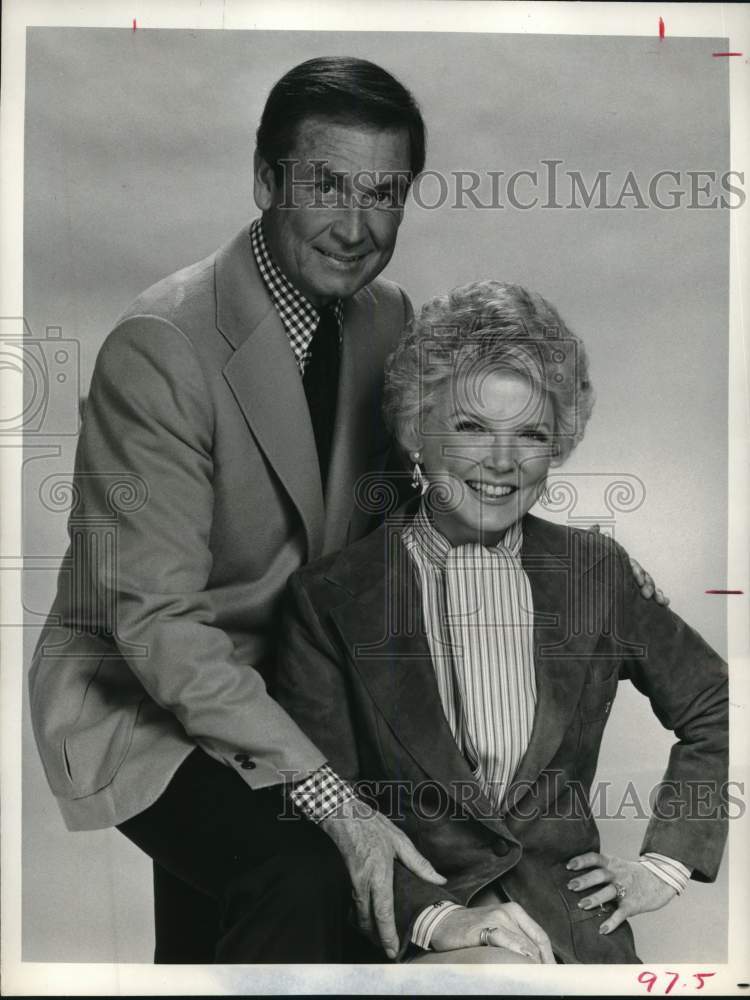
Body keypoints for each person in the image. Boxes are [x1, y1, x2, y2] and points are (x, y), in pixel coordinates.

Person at [28, 56, 665, 964]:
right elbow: (156, 623)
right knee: (298, 871)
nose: (357, 227)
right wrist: (336, 800)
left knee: (357, 873)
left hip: (308, 675)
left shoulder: (386, 318)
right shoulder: (159, 347)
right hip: (146, 695)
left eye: (385, 193)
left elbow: (425, 510)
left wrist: (568, 563)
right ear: (265, 181)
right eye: (328, 185)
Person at [273, 280, 728, 964]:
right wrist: (436, 921)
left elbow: (719, 704)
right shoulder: (330, 598)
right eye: (471, 427)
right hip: (422, 937)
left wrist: (666, 863)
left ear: (558, 446)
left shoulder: (595, 573)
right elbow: (325, 812)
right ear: (415, 432)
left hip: (578, 942)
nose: (503, 462)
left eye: (531, 434)